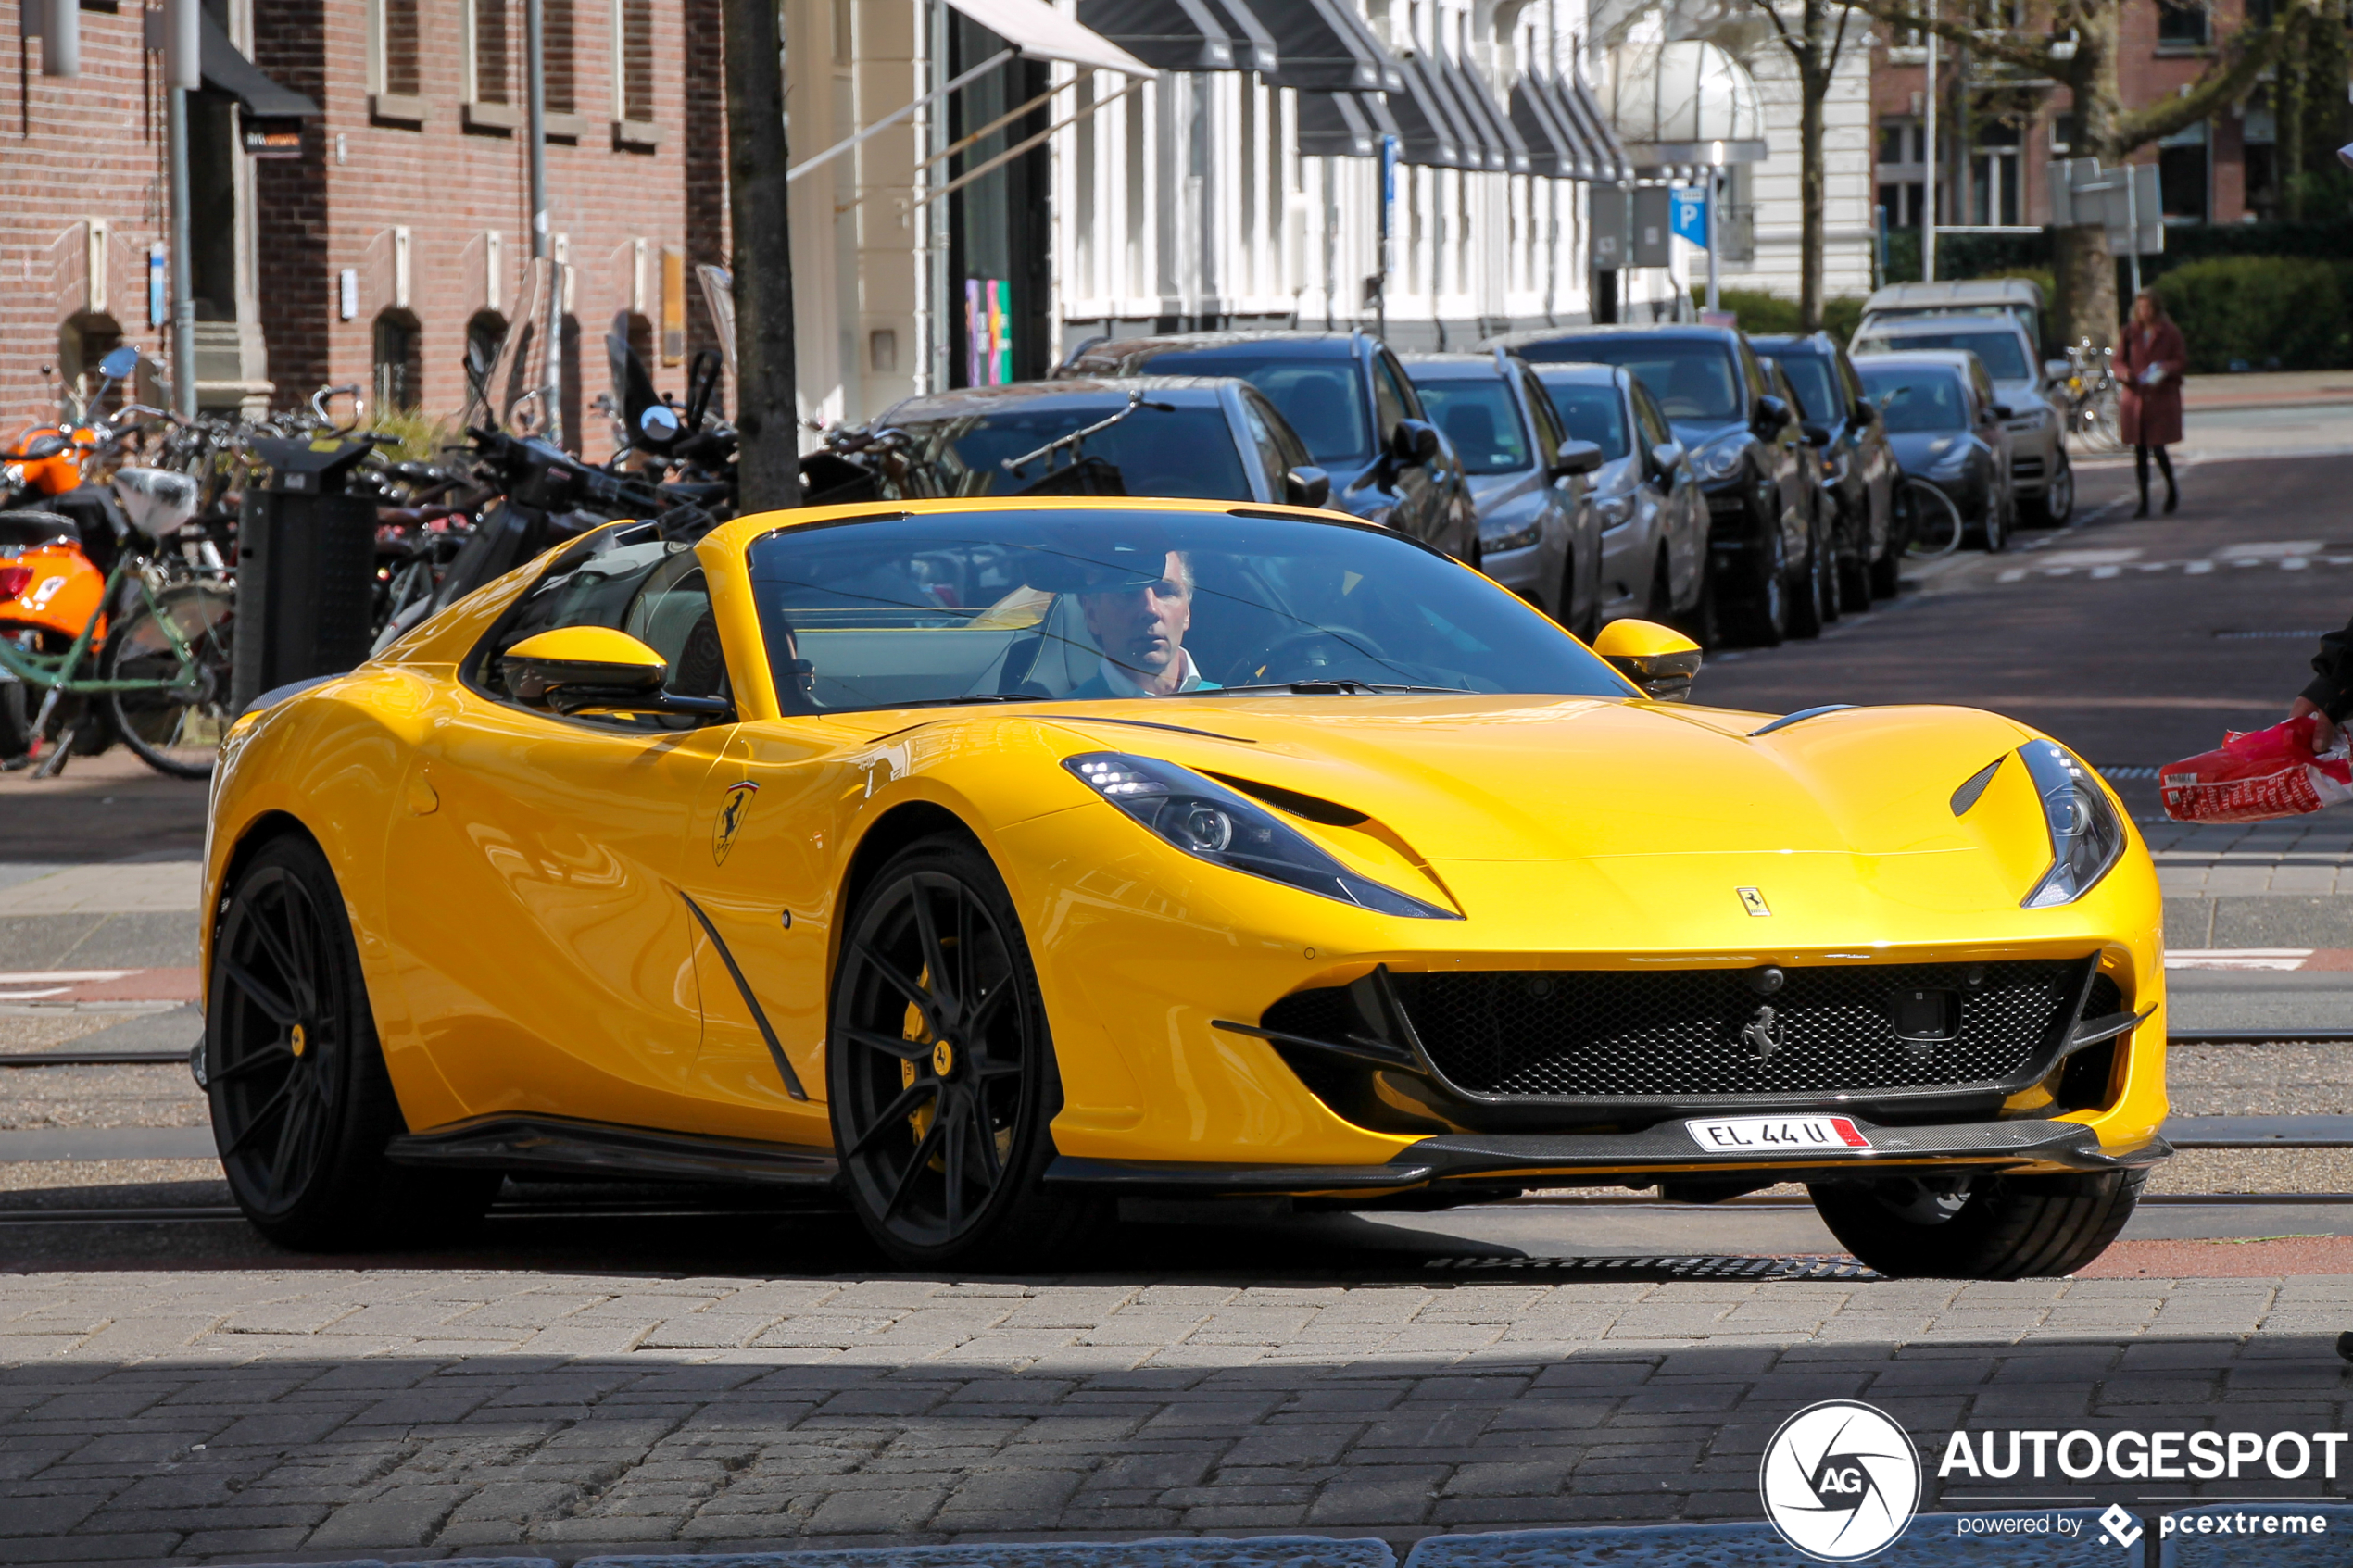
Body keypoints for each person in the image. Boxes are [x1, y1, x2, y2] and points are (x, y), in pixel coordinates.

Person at [1067, 549, 1221, 697]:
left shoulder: (1235, 706)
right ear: (1092, 614)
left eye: (1167, 592)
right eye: (1128, 593)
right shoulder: (1061, 717)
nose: (1151, 610)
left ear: (1187, 612)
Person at [2116, 290, 2186, 518]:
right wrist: (2124, 373)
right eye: (2140, 308)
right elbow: (2118, 361)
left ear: (2156, 309)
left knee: (2159, 448)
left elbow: (2180, 360)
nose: (2143, 312)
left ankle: (2171, 490)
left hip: (2159, 397)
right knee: (2139, 451)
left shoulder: (2169, 332)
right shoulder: (2129, 333)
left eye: (2147, 308)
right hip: (2136, 398)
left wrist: (2165, 368)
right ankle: (2144, 502)